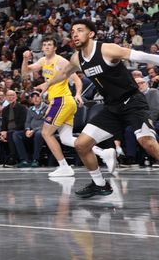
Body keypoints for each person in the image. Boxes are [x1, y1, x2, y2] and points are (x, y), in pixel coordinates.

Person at [49, 19, 159, 198]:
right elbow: (64, 73)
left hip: (132, 102)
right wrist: (47, 84)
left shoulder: (106, 49)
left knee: (147, 143)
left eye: (79, 30)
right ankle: (100, 184)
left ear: (91, 34)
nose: (74, 34)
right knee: (81, 144)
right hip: (111, 108)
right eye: (73, 32)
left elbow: (139, 56)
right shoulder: (77, 57)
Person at [22, 35, 116, 177]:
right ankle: (104, 153)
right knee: (66, 139)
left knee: (46, 133)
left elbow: (77, 79)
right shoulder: (42, 61)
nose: (46, 47)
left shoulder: (60, 61)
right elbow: (25, 72)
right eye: (45, 45)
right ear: (41, 48)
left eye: (49, 45)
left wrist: (78, 94)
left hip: (63, 101)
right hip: (59, 102)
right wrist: (24, 59)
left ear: (55, 48)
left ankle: (64, 167)